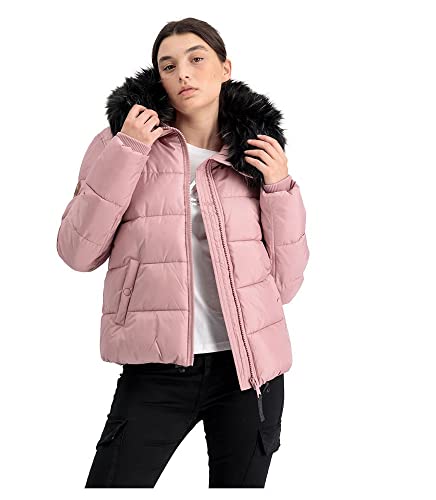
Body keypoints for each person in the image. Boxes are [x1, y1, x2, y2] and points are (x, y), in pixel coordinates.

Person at [56, 17, 310, 488]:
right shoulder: (119, 142)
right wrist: (129, 149)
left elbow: (285, 284)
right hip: (156, 370)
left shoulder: (256, 155)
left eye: (196, 59)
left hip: (250, 371)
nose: (184, 74)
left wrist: (279, 188)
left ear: (225, 68)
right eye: (169, 66)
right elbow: (77, 251)